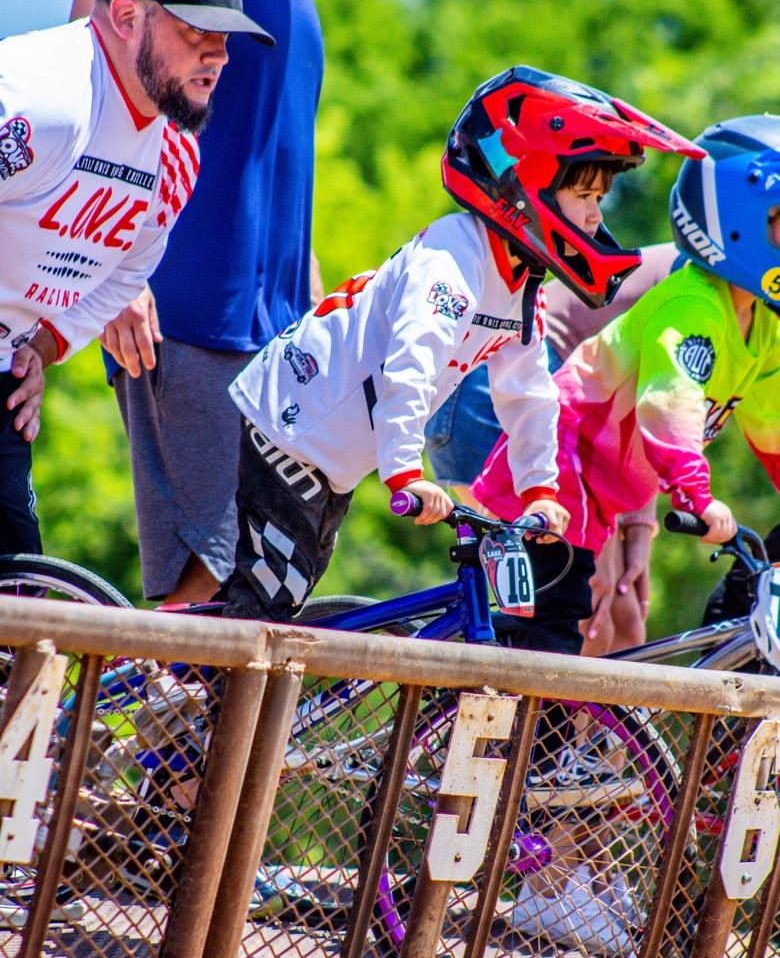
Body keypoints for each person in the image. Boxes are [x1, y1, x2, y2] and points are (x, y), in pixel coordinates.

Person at [217, 65, 701, 628]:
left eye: (601, 197)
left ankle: (185, 689)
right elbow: (411, 366)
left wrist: (539, 490)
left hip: (333, 453)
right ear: (525, 187)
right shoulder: (454, 258)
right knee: (265, 607)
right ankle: (177, 692)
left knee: (281, 602)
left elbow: (529, 394)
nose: (597, 215)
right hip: (292, 427)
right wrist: (405, 472)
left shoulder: (520, 278)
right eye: (584, 193)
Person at [0, 0, 273, 558]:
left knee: (28, 608)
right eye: (195, 30)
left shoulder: (175, 156)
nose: (219, 55)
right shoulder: (41, 100)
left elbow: (123, 276)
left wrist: (43, 343)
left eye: (226, 35)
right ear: (125, 15)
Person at [72, 0, 323, 604]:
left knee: (265, 583)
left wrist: (318, 308)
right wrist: (113, 270)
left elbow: (277, 152)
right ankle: (131, 713)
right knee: (203, 583)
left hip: (277, 327)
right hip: (181, 306)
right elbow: (89, 88)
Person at [473, 114, 780, 654]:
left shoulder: (765, 326)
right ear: (739, 218)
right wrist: (698, 496)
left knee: (605, 626)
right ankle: (519, 738)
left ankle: (539, 733)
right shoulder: (694, 306)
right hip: (556, 456)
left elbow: (772, 425)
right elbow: (669, 407)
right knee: (564, 628)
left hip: (598, 484)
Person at [425, 243, 679, 654]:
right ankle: (511, 716)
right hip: (512, 391)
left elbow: (642, 416)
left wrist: (638, 526)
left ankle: (541, 716)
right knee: (588, 620)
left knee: (624, 623)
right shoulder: (715, 278)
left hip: (535, 408)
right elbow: (646, 407)